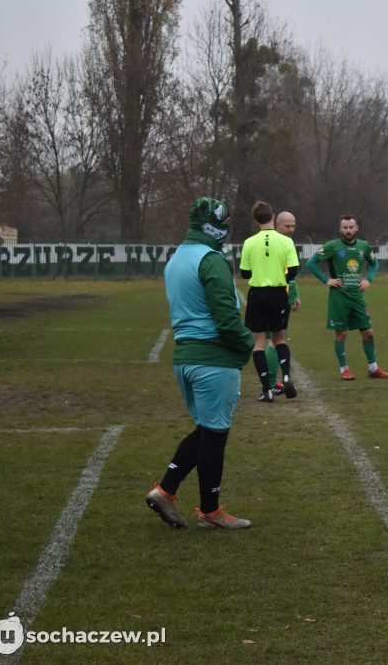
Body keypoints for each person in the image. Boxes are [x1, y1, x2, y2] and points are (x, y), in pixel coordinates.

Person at [145, 197, 255, 530]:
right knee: (215, 436)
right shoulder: (211, 259)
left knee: (206, 432)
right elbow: (226, 316)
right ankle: (210, 512)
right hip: (213, 359)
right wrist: (247, 344)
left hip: (185, 358)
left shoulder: (176, 259)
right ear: (214, 226)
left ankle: (165, 491)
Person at [305, 215, 388, 380]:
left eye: (351, 227)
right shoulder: (332, 246)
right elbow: (311, 263)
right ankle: (344, 369)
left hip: (357, 296)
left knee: (368, 332)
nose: (348, 230)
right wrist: (327, 280)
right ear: (340, 229)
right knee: (341, 334)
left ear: (356, 228)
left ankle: (373, 369)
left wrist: (368, 280)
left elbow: (374, 264)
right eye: (345, 227)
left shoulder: (363, 246)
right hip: (339, 296)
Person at [239, 201, 300, 402]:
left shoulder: (249, 242)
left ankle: (267, 390)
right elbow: (293, 271)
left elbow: (244, 273)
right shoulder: (286, 242)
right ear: (273, 217)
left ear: (256, 220)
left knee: (259, 344)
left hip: (257, 294)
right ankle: (287, 376)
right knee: (279, 340)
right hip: (278, 294)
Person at [264, 211, 302, 396]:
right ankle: (271, 383)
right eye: (287, 226)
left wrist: (295, 294)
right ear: (276, 224)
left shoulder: (287, 243)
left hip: (281, 296)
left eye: (293, 226)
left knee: (273, 338)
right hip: (275, 296)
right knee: (275, 339)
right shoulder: (274, 243)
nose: (291, 230)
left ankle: (272, 381)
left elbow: (292, 273)